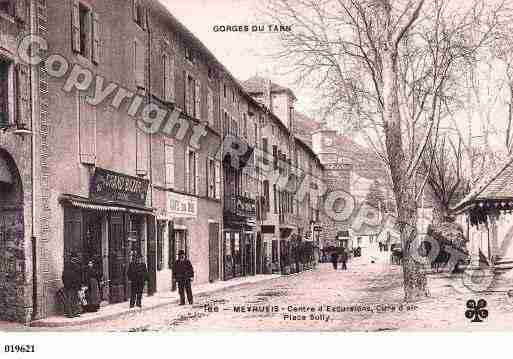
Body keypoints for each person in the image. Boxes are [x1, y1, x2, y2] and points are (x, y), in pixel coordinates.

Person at [62, 252, 82, 318]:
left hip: (69, 285)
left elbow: (63, 276)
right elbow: (77, 277)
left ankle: (71, 313)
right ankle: (72, 313)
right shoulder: (76, 266)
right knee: (72, 299)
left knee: (71, 299)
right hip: (72, 285)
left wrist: (65, 283)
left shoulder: (67, 265)